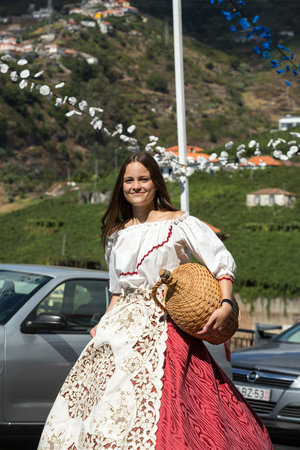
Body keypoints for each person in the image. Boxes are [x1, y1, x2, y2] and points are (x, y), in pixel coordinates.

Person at [37, 152, 273, 450]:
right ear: (121, 187)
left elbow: (221, 263)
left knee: (170, 403)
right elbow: (117, 290)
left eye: (143, 179)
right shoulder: (116, 234)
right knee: (102, 403)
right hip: (118, 327)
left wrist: (226, 305)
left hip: (165, 322)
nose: (136, 186)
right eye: (129, 180)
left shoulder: (180, 223)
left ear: (156, 183)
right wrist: (102, 322)